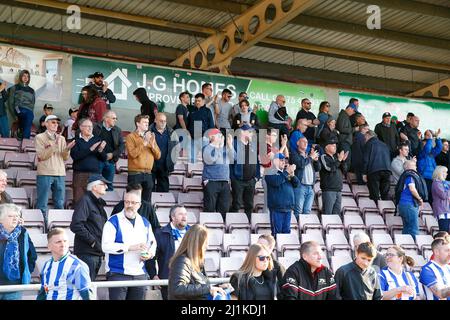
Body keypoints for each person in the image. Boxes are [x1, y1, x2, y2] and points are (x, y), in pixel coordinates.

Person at [102, 188, 157, 300]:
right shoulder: (112, 221)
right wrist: (130, 247)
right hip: (118, 273)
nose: (129, 205)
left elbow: (152, 243)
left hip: (139, 273)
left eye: (133, 202)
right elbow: (105, 246)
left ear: (139, 205)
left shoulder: (145, 222)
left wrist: (149, 254)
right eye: (126, 202)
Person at [168, 224, 226, 300]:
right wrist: (208, 289)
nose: (207, 246)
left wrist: (218, 287)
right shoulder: (182, 261)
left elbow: (199, 286)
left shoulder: (197, 262)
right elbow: (177, 288)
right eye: (205, 243)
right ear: (197, 244)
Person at [35, 115, 75, 222]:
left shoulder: (61, 138)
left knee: (60, 202)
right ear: (46, 123)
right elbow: (42, 156)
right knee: (42, 202)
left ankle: (59, 223)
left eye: (57, 123)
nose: (56, 124)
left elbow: (65, 157)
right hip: (45, 172)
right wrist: (54, 145)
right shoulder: (39, 137)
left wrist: (67, 149)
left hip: (60, 173)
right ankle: (41, 224)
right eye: (53, 122)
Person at [70, 175, 109, 281]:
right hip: (87, 253)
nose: (106, 187)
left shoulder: (97, 203)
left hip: (95, 253)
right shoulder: (85, 201)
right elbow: (76, 225)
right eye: (103, 184)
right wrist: (93, 242)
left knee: (89, 287)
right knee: (85, 287)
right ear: (94, 187)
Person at [37, 228, 92, 300]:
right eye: (58, 242)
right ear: (49, 246)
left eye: (65, 241)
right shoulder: (47, 266)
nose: (63, 244)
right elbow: (44, 291)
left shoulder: (75, 265)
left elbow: (86, 294)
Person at [147, 205, 189, 300]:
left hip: (190, 281)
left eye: (185, 214)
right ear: (173, 217)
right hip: (169, 281)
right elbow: (151, 257)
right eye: (181, 214)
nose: (184, 217)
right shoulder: (160, 233)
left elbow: (198, 257)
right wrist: (153, 275)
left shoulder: (192, 232)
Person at [0, 204, 36, 300]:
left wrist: (26, 272)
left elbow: (32, 255)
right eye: (10, 216)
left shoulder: (22, 233)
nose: (15, 219)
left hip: (15, 287)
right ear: (0, 219)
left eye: (17, 216)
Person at [126, 114, 161, 204]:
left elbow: (158, 156)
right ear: (138, 124)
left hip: (148, 174)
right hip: (135, 174)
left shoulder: (151, 137)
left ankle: (144, 218)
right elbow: (132, 154)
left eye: (147, 122)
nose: (147, 124)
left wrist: (152, 145)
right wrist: (144, 142)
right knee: (133, 201)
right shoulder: (131, 137)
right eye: (144, 122)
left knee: (147, 203)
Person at [71, 118, 107, 203]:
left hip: (95, 175)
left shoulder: (97, 140)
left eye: (91, 126)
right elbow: (75, 156)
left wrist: (101, 150)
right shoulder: (76, 141)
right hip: (80, 175)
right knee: (79, 201)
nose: (90, 128)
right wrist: (90, 149)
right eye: (87, 126)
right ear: (81, 127)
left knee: (94, 201)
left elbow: (104, 158)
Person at [230, 125, 260, 220]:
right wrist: (233, 178)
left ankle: (247, 225)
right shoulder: (234, 143)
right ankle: (233, 223)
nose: (252, 134)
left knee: (249, 205)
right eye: (250, 132)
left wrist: (256, 177)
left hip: (251, 180)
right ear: (242, 132)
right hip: (238, 180)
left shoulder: (252, 145)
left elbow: (257, 162)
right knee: (236, 204)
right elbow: (230, 162)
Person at [265, 153, 299, 237]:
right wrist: (287, 172)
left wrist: (293, 175)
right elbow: (276, 182)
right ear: (274, 161)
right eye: (281, 160)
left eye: (284, 160)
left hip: (288, 208)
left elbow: (296, 184)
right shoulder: (269, 172)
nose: (283, 162)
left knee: (286, 233)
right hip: (276, 208)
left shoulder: (285, 172)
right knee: (277, 234)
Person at [202, 129, 234, 218]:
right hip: (211, 181)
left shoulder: (225, 148)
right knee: (209, 208)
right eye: (218, 136)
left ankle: (221, 228)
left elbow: (233, 158)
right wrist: (218, 147)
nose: (220, 137)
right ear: (211, 137)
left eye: (221, 136)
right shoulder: (206, 148)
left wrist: (230, 145)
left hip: (225, 182)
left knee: (224, 209)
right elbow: (212, 160)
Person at [395, 160, 428, 240]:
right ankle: (415, 246)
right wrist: (419, 199)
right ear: (409, 167)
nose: (416, 167)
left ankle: (405, 244)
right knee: (413, 229)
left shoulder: (405, 175)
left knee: (407, 228)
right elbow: (412, 189)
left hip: (404, 205)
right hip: (409, 205)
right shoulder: (410, 176)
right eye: (414, 165)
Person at [93, 110, 125, 191]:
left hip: (111, 162)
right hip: (97, 161)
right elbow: (93, 143)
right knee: (96, 185)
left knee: (109, 186)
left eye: (116, 118)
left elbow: (122, 146)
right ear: (106, 118)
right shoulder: (95, 128)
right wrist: (104, 155)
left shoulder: (117, 130)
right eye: (113, 118)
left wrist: (112, 154)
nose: (116, 120)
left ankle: (107, 203)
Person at [289, 137, 320, 219]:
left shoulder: (309, 155)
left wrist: (316, 160)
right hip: (300, 186)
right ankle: (295, 230)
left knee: (307, 211)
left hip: (310, 187)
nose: (306, 143)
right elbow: (300, 164)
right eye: (303, 141)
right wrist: (310, 158)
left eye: (307, 142)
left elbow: (318, 168)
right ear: (297, 143)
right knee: (298, 211)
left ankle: (304, 231)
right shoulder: (294, 154)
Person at [260, 129, 289, 213]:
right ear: (267, 136)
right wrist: (283, 146)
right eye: (273, 135)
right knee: (268, 201)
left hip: (275, 175)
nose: (275, 137)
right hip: (268, 174)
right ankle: (265, 221)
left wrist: (285, 145)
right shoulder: (263, 146)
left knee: (274, 201)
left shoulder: (274, 148)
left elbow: (285, 157)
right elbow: (275, 158)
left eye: (276, 135)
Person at [150, 113, 178, 192]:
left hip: (165, 166)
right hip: (151, 166)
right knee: (149, 191)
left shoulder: (172, 133)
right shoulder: (148, 132)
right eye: (161, 121)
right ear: (155, 120)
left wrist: (172, 162)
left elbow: (176, 149)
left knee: (163, 191)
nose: (163, 123)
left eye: (165, 121)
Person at [319, 139, 348, 215]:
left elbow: (344, 170)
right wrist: (339, 160)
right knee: (327, 215)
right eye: (332, 145)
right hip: (328, 190)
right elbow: (330, 168)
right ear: (326, 147)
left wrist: (343, 161)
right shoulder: (323, 157)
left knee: (336, 216)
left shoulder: (336, 158)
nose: (335, 146)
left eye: (335, 145)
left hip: (338, 189)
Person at [363, 130, 392, 201]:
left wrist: (364, 173)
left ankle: (376, 210)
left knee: (374, 194)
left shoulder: (369, 144)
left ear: (368, 135)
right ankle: (384, 211)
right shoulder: (384, 144)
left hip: (374, 171)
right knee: (385, 195)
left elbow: (366, 159)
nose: (365, 140)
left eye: (365, 138)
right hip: (387, 170)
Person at [7, 70, 35, 139]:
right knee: (27, 115)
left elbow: (32, 103)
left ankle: (22, 133)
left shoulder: (32, 90)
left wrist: (30, 111)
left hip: (28, 110)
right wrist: (14, 116)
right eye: (24, 76)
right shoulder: (14, 88)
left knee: (29, 116)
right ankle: (26, 140)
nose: (26, 78)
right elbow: (10, 103)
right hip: (18, 108)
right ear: (20, 77)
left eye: (27, 76)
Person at [186, 93, 215, 161]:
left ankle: (206, 171)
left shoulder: (207, 111)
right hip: (192, 139)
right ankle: (191, 171)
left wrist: (210, 136)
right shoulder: (191, 110)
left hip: (204, 138)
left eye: (199, 100)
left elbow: (211, 125)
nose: (197, 102)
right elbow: (188, 124)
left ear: (203, 101)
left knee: (206, 158)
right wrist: (188, 133)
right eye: (196, 101)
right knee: (192, 159)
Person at [418, 129, 442, 205]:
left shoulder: (432, 154)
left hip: (432, 178)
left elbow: (439, 148)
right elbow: (427, 149)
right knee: (425, 197)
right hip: (424, 178)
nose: (427, 144)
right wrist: (430, 138)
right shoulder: (421, 153)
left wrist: (437, 137)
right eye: (424, 143)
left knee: (431, 198)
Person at [257, 234, 285, 299]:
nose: (258, 248)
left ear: (270, 248)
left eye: (262, 245)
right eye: (257, 245)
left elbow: (284, 291)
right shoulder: (251, 262)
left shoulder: (278, 267)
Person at [336, 101, 357, 170]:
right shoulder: (343, 115)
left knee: (346, 161)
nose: (353, 113)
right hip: (344, 142)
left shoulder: (345, 115)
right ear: (349, 108)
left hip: (345, 142)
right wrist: (354, 129)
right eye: (353, 111)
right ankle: (344, 178)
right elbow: (341, 129)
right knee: (345, 161)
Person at [431, 166, 450, 232]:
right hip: (442, 210)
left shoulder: (446, 183)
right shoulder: (436, 183)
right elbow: (443, 196)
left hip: (447, 210)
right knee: (444, 232)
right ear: (439, 173)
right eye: (444, 172)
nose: (446, 174)